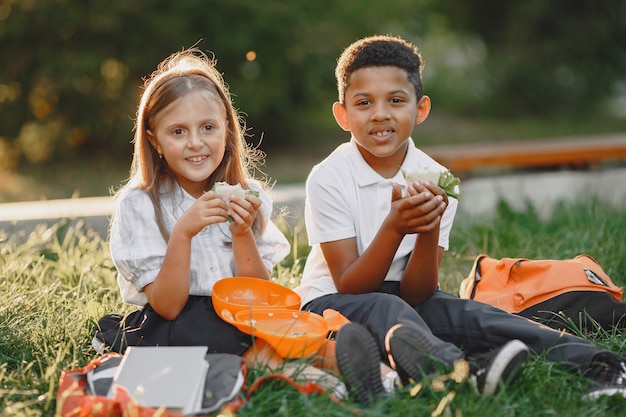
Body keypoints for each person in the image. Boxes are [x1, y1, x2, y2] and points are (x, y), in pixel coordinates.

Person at [294, 34, 626, 404]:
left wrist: (427, 227)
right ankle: (462, 371)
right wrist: (394, 227)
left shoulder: (437, 179)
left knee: (472, 314)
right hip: (332, 304)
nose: (380, 114)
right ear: (343, 114)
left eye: (396, 100)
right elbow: (350, 285)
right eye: (364, 103)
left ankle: (603, 364)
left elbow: (418, 291)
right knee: (385, 306)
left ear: (420, 109)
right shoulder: (329, 177)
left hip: (405, 300)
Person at [92, 48, 345, 386]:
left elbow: (257, 294)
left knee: (280, 326)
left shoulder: (247, 192)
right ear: (154, 141)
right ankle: (301, 369)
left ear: (227, 129)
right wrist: (183, 233)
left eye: (208, 127)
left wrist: (242, 233)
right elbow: (168, 306)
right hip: (179, 321)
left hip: (243, 315)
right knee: (220, 334)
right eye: (178, 132)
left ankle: (358, 365)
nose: (196, 143)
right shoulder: (140, 204)